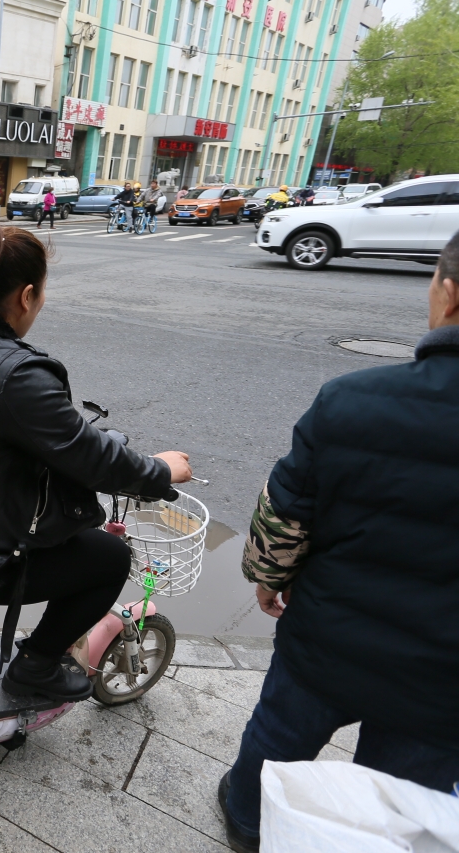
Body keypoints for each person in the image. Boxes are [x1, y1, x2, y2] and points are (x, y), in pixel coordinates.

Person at [0, 220, 192, 702]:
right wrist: (159, 470)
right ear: (26, 296)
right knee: (110, 558)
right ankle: (36, 667)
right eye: (42, 292)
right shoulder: (18, 374)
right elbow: (91, 457)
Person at [218, 233, 459, 853]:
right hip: (444, 678)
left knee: (276, 741)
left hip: (329, 636)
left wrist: (270, 580)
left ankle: (248, 820)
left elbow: (286, 511)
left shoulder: (353, 400)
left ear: (448, 293)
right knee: (402, 790)